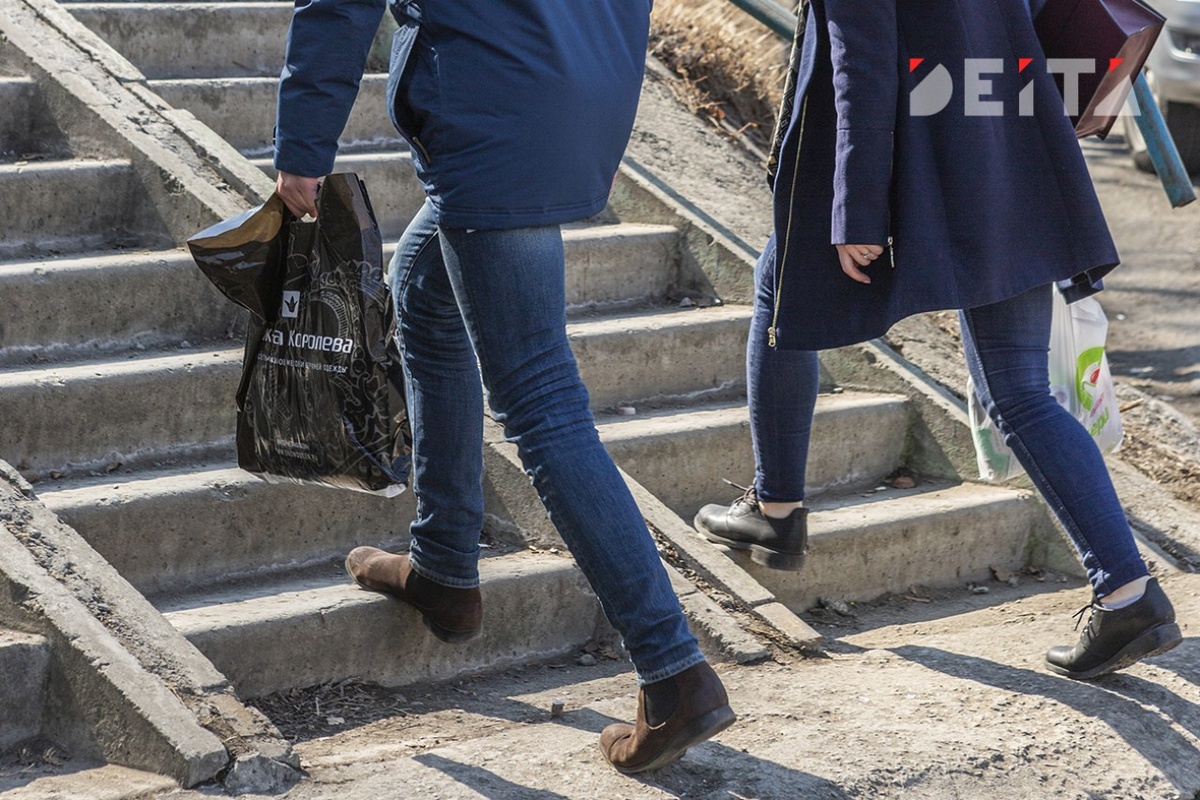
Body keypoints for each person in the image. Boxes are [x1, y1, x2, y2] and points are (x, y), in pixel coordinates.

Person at [271, 0, 735, 771]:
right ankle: (443, 565)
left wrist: (302, 143)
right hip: (566, 87)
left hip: (494, 101)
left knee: (542, 402)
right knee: (422, 295)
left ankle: (673, 672)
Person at [695, 0, 1183, 681]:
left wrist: (857, 205)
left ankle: (776, 508)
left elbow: (861, 58)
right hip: (1004, 132)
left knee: (783, 291)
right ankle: (1128, 593)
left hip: (926, 146)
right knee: (1019, 390)